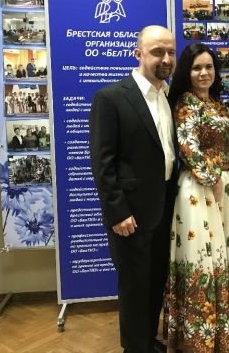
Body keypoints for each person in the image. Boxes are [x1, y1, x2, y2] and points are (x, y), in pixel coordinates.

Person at [89, 25, 178, 353]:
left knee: (155, 281)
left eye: (170, 52)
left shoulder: (168, 96)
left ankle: (147, 341)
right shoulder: (111, 98)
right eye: (157, 52)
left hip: (164, 207)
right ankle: (135, 347)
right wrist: (117, 212)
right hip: (130, 213)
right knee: (134, 285)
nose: (165, 58)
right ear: (138, 54)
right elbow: (102, 163)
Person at [164, 43, 229, 352]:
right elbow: (188, 147)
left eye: (209, 67)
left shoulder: (219, 105)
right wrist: (213, 179)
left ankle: (219, 335)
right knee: (201, 258)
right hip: (198, 189)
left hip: (221, 188)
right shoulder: (185, 103)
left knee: (220, 257)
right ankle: (198, 338)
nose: (203, 73)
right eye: (197, 67)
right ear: (187, 72)